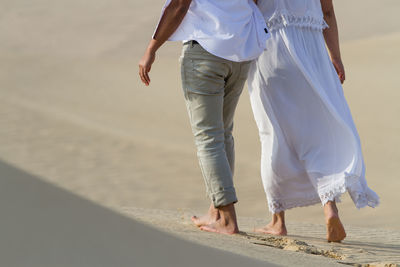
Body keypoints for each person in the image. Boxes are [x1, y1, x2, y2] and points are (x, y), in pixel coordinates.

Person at [248, 0, 379, 242]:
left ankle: (278, 221)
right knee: (318, 133)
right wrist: (336, 56)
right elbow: (327, 11)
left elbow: (248, 9)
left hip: (270, 51)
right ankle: (330, 209)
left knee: (274, 135)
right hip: (313, 52)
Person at [138, 0, 270, 234]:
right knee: (223, 133)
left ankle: (227, 219)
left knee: (209, 138)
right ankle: (215, 211)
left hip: (206, 52)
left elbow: (178, 5)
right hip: (240, 53)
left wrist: (151, 49)